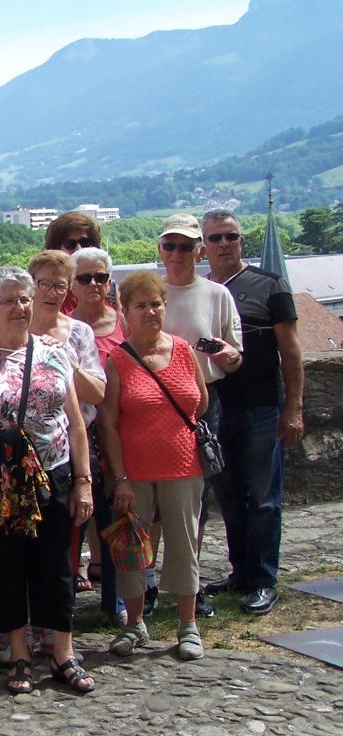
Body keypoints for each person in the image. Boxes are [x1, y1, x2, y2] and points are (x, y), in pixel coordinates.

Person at [0, 267, 95, 695]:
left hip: (51, 474)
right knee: (5, 567)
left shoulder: (56, 352)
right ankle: (19, 652)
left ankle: (62, 652)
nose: (20, 307)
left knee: (56, 565)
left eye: (25, 299)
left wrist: (83, 481)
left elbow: (75, 424)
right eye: (10, 300)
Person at [99, 271, 209, 660]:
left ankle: (187, 625)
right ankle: (134, 623)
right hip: (135, 472)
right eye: (141, 305)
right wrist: (121, 477)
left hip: (184, 466)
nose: (150, 311)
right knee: (132, 550)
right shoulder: (118, 360)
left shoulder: (182, 350)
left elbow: (201, 403)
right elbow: (108, 423)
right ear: (126, 311)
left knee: (184, 546)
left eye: (156, 304)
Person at [201, 210, 304, 615]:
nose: (224, 244)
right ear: (203, 247)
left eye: (231, 236)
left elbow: (291, 351)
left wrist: (293, 407)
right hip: (216, 409)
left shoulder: (270, 285)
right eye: (215, 238)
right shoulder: (201, 290)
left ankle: (263, 579)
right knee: (228, 496)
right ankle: (240, 571)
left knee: (263, 497)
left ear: (241, 240)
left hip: (262, 405)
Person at [157, 213, 243, 619]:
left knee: (196, 500)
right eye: (170, 245)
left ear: (199, 250)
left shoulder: (216, 295)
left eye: (186, 246)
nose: (177, 253)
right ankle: (153, 584)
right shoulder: (148, 292)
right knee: (150, 500)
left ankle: (189, 586)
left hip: (203, 403)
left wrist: (226, 354)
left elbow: (235, 355)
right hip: (151, 407)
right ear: (160, 249)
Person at [27, 251, 106, 598]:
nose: (52, 292)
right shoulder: (14, 325)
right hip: (26, 446)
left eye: (60, 286)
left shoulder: (79, 333)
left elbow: (99, 393)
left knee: (69, 525)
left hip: (72, 440)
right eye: (44, 283)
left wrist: (65, 362)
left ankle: (63, 599)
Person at [69, 246, 126, 619]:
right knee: (75, 520)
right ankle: (65, 602)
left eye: (101, 277)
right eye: (85, 277)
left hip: (122, 431)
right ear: (71, 285)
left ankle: (117, 597)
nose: (94, 284)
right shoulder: (66, 327)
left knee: (116, 516)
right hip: (82, 431)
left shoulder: (126, 321)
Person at [44, 211, 102, 314]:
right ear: (56, 249)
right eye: (70, 244)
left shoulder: (106, 288)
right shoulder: (47, 293)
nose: (79, 248)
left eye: (85, 243)